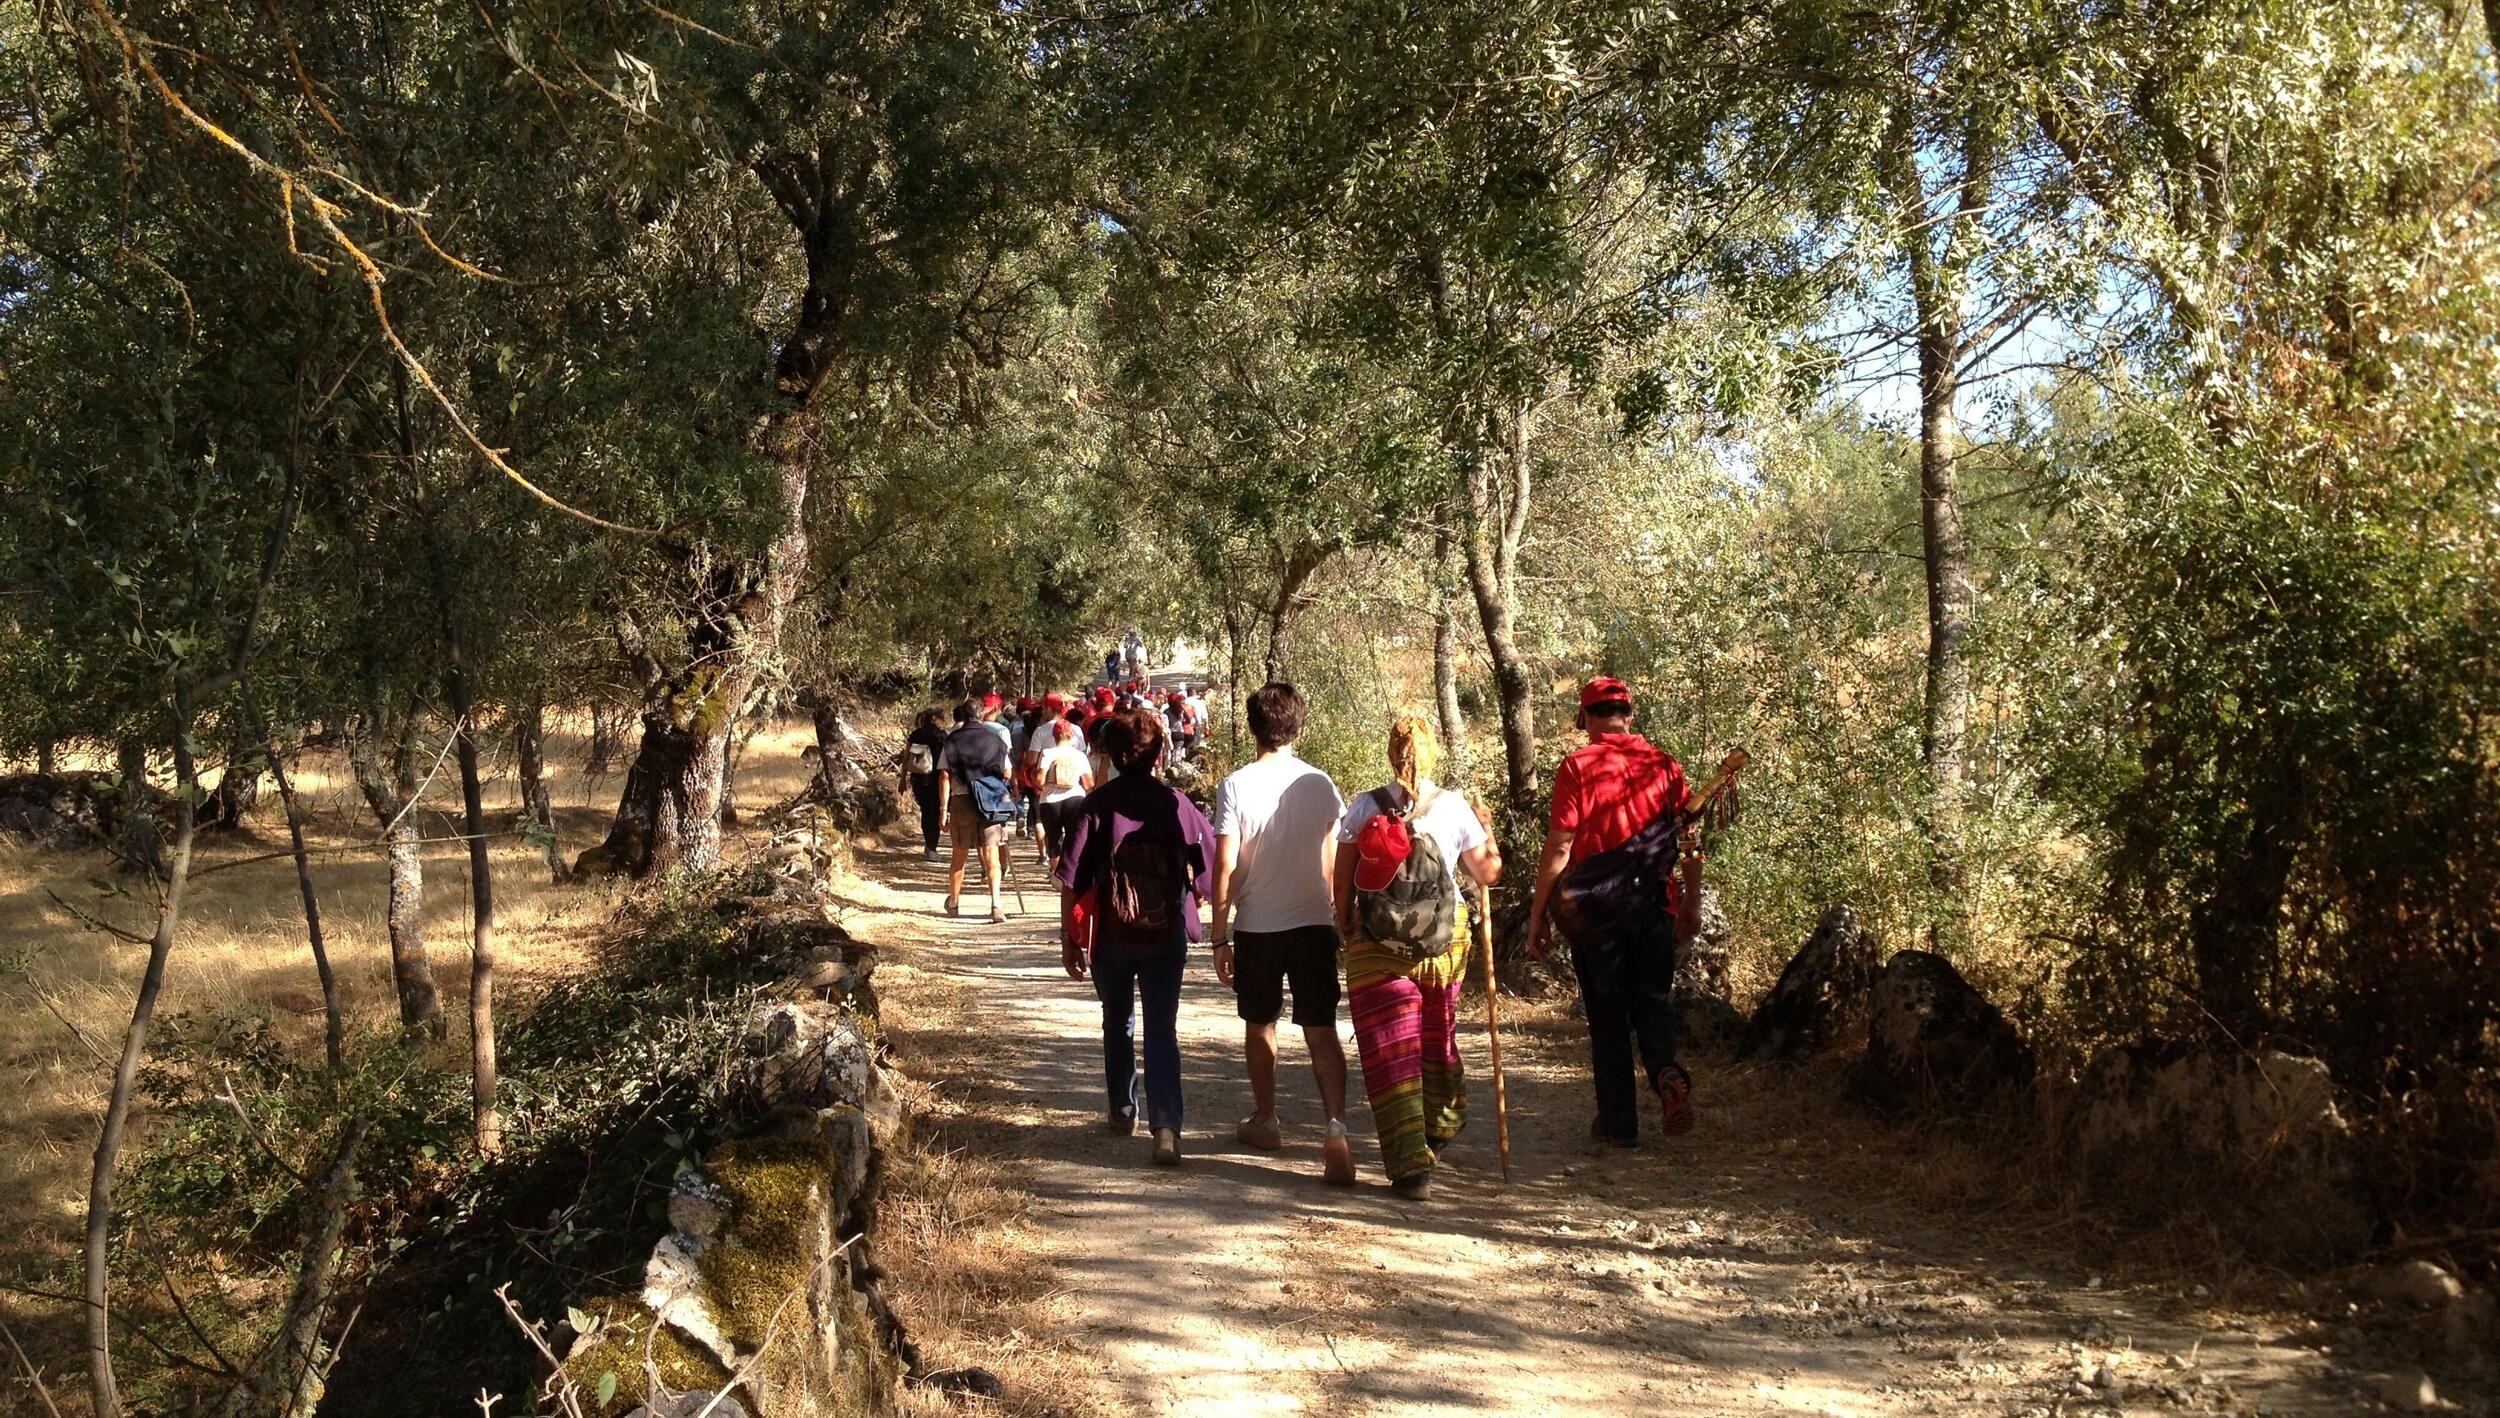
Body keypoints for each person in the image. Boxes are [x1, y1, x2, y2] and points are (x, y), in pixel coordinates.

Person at [1525, 676, 1705, 1148]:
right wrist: (1690, 901)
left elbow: (1561, 845)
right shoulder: (1665, 765)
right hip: (1654, 908)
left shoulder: (1578, 766)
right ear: (1630, 715)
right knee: (1651, 1001)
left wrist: (1538, 914)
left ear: (1585, 718)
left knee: (1607, 1016)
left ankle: (1618, 1123)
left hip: (1596, 913)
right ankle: (1667, 1071)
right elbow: (1690, 841)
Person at [1333, 717, 1502, 1198]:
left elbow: (1344, 881)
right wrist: (1485, 833)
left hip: (1378, 949)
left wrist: (1347, 927)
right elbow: (1487, 873)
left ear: (1391, 754)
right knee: (1435, 1039)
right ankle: (1440, 1126)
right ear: (1432, 756)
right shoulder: (1453, 807)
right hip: (1443, 946)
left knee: (1392, 1052)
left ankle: (1411, 1170)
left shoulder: (1365, 806)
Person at [1056, 707, 1216, 1166]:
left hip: (1112, 935)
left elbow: (1072, 879)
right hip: (1165, 933)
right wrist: (1199, 898)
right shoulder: (1177, 803)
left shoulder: (1098, 805)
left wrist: (1070, 939)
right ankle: (1166, 1127)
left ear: (1111, 754)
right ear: (1158, 755)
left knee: (1117, 1020)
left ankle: (1123, 1109)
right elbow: (1207, 873)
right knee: (1162, 1028)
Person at [1209, 682, 1355, 1185]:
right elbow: (1334, 860)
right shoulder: (1321, 784)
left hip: (1258, 924)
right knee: (1321, 1029)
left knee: (1260, 1023)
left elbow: (1225, 862)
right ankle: (1335, 1123)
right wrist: (1343, 919)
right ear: (1299, 725)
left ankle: (1267, 1118)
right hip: (1314, 920)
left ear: (1254, 727)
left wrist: (1218, 935)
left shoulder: (1235, 785)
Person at [938, 700, 1014, 924]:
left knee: (959, 855)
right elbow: (1008, 772)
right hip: (990, 804)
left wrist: (943, 810)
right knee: (991, 856)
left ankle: (953, 902)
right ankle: (996, 904)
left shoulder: (951, 740)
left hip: (961, 801)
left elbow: (944, 776)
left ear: (963, 715)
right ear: (982, 715)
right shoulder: (995, 739)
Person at [1032, 707, 1094, 871]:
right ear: (1071, 735)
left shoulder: (1047, 753)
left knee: (1053, 838)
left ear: (1054, 735)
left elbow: (1039, 779)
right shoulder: (1079, 756)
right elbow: (1089, 783)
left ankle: (1056, 873)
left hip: (1050, 800)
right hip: (1075, 798)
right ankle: (1071, 871)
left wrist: (1046, 784)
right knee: (1074, 836)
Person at [899, 708, 949, 862]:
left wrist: (902, 780)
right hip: (935, 779)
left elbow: (907, 757)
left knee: (926, 811)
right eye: (942, 718)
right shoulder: (941, 736)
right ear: (936, 719)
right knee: (934, 813)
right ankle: (931, 847)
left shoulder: (916, 734)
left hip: (917, 779)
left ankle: (929, 844)